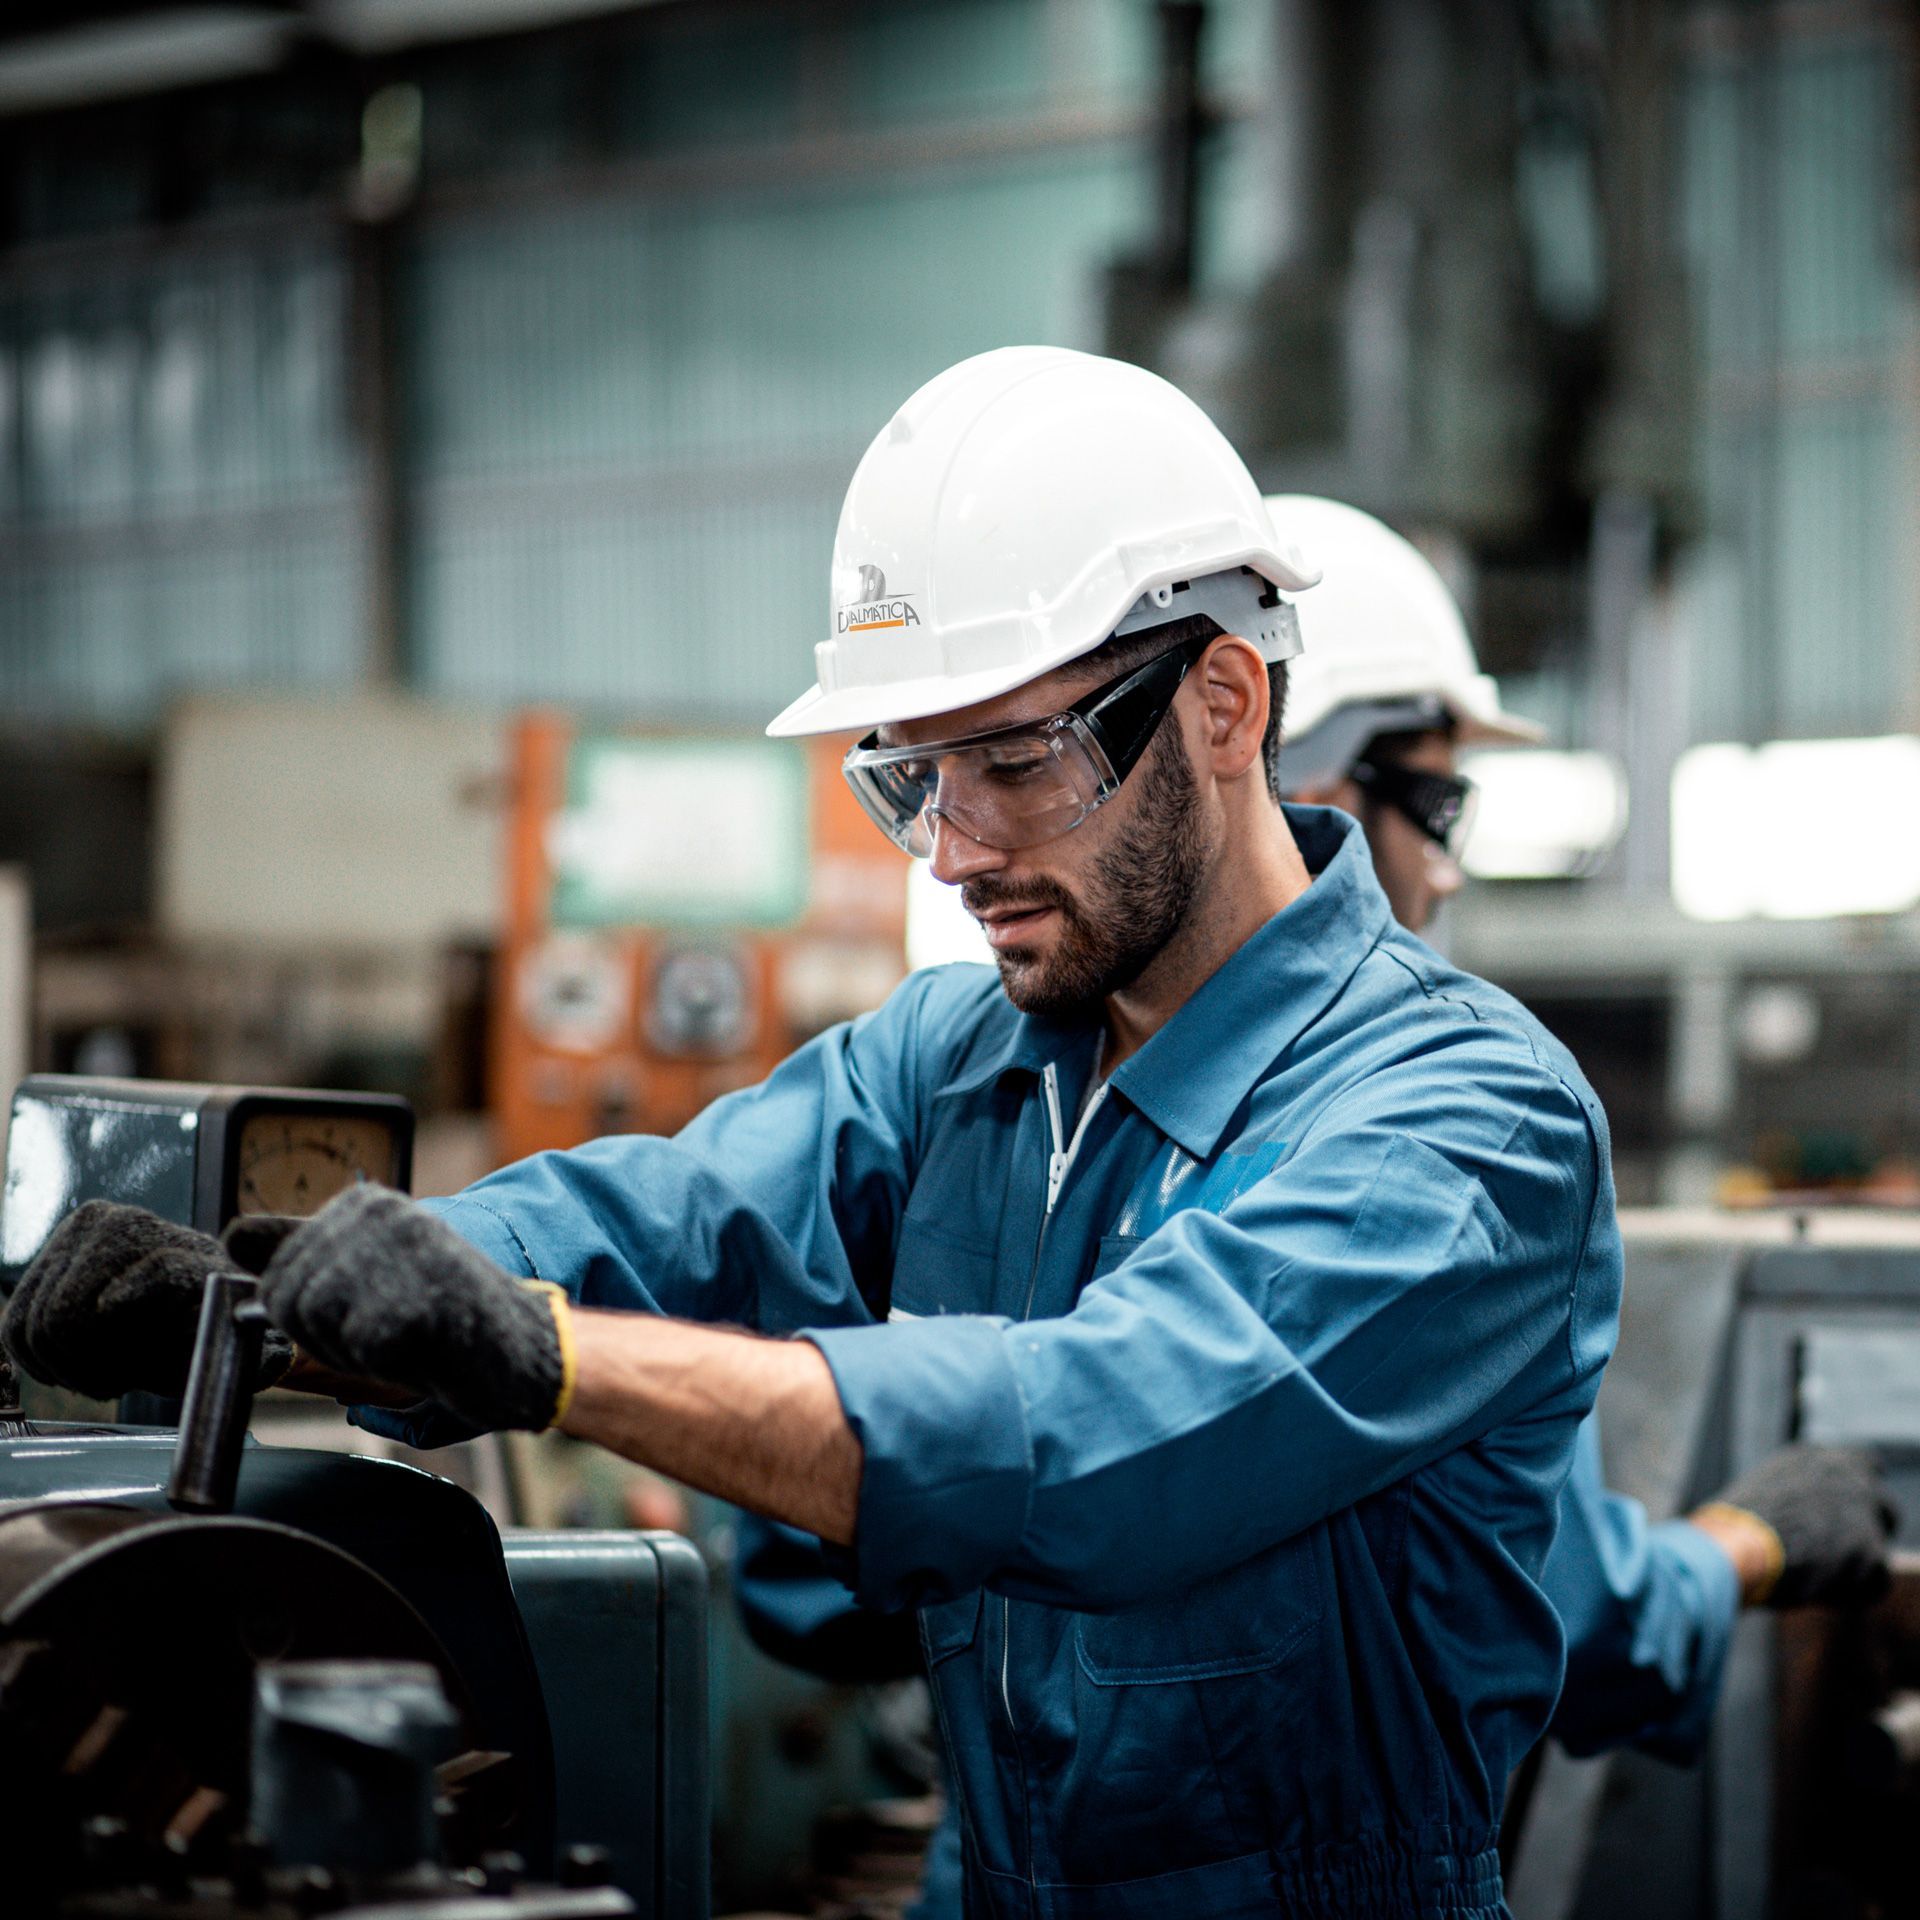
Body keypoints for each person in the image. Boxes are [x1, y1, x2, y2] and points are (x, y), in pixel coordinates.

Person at [7, 347, 1625, 1920]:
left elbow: (1084, 1440)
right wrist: (279, 1295)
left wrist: (547, 1355)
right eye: (911, 780)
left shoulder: (1465, 1125)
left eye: (1011, 761)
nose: (956, 852)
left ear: (1220, 702)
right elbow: (663, 1215)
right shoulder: (966, 1059)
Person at [1269, 493, 1898, 1763]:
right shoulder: (1436, 1151)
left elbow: (817, 1570)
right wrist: (1750, 1544)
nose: (1444, 874)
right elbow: (1569, 1623)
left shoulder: (1028, 1110)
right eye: (1435, 808)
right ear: (1313, 784)